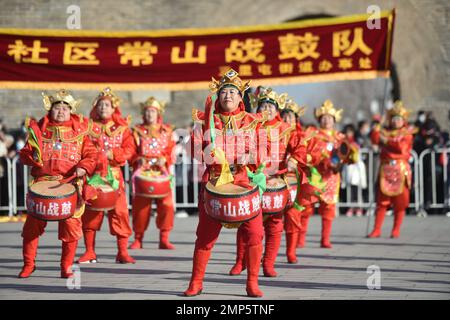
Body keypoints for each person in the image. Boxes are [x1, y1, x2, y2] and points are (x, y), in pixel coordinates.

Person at [184, 69, 268, 297]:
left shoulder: (252, 121)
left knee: (254, 233)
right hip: (214, 182)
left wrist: (250, 157)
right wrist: (205, 146)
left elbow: (264, 150)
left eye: (233, 92)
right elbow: (192, 150)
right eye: (224, 92)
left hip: (243, 182)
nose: (228, 96)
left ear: (241, 97)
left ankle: (252, 282)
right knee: (205, 237)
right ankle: (196, 282)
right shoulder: (206, 120)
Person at [18, 89, 97, 278]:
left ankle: (66, 266)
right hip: (43, 184)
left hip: (70, 185)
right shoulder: (38, 130)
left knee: (71, 226)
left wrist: (84, 167)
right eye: (57, 107)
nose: (61, 111)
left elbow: (92, 155)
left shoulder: (80, 132)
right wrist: (32, 156)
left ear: (71, 111)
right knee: (32, 226)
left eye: (65, 108)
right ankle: (29, 264)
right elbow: (24, 154)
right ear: (50, 109)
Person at [228, 87, 295, 278]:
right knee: (245, 224)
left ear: (277, 109)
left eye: (270, 105)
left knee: (275, 224)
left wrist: (294, 160)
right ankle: (241, 261)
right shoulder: (250, 125)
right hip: (251, 181)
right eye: (263, 105)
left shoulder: (286, 128)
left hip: (275, 181)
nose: (267, 108)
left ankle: (268, 263)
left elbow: (299, 146)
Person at [289, 100, 358, 259]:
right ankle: (300, 238)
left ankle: (325, 239)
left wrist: (350, 152)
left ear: (335, 120)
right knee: (306, 208)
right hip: (314, 175)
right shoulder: (313, 133)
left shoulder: (340, 137)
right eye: (324, 117)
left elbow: (349, 154)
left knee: (328, 209)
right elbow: (305, 150)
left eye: (330, 118)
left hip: (331, 178)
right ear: (319, 119)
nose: (327, 120)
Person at [78, 87, 136, 264]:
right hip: (93, 176)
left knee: (120, 213)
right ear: (95, 107)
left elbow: (130, 150)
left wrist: (114, 154)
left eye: (107, 105)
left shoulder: (122, 129)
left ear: (113, 108)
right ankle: (89, 251)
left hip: (114, 177)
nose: (104, 108)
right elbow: (81, 149)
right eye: (101, 104)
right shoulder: (87, 128)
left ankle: (122, 252)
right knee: (90, 213)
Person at [128, 97, 176, 250]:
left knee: (167, 205)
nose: (150, 114)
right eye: (147, 111)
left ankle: (164, 237)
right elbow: (130, 152)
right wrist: (137, 159)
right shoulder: (136, 131)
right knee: (141, 207)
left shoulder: (167, 130)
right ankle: (138, 238)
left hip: (161, 173)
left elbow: (172, 151)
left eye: (153, 111)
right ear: (143, 113)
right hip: (143, 172)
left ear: (158, 113)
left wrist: (165, 159)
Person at [367, 101, 416, 238]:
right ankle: (377, 229)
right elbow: (375, 140)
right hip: (386, 169)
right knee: (382, 201)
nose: (396, 122)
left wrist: (386, 140)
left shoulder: (407, 133)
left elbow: (401, 147)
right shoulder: (385, 131)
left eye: (399, 119)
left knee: (400, 202)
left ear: (403, 120)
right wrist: (376, 128)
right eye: (394, 119)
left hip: (400, 169)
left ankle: (396, 229)